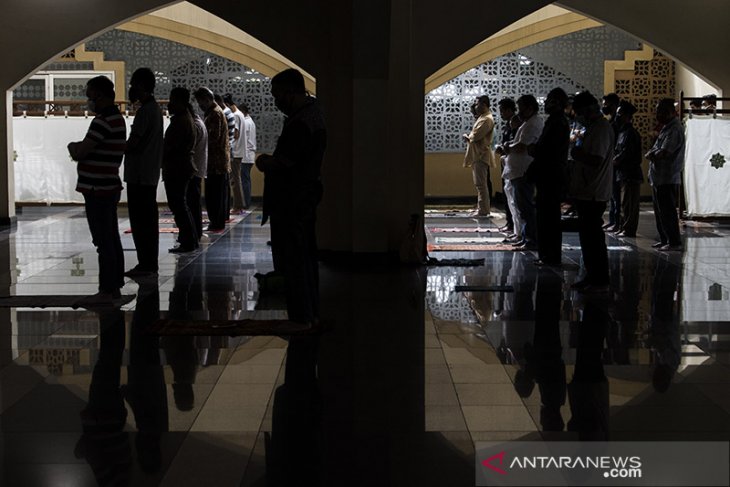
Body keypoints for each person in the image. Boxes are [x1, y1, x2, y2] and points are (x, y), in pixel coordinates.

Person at [256, 68, 326, 326]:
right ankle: (309, 313)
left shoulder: (301, 122)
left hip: (293, 198)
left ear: (291, 92)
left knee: (295, 259)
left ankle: (302, 317)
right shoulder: (312, 114)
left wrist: (264, 161)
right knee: (304, 257)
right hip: (304, 195)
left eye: (278, 95)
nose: (276, 101)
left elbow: (285, 162)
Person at [67, 76, 127, 306]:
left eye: (90, 96)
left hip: (98, 188)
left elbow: (82, 151)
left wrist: (73, 147)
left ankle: (107, 288)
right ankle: (114, 287)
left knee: (103, 240)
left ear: (100, 96)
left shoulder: (103, 121)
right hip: (108, 186)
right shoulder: (117, 119)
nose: (88, 101)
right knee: (111, 237)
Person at [569, 91, 615, 293]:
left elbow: (596, 159)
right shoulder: (591, 128)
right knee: (587, 238)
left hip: (594, 190)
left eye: (579, 112)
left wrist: (577, 154)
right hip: (586, 190)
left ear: (588, 110)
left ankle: (599, 279)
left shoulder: (601, 129)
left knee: (594, 238)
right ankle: (591, 275)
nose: (577, 116)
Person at [123, 67, 163, 278]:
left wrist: (116, 146)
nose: (131, 89)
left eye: (133, 85)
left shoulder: (145, 112)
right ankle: (148, 262)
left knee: (140, 221)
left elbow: (134, 143)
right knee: (147, 220)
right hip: (148, 173)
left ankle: (146, 263)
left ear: (141, 86)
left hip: (139, 175)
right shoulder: (154, 110)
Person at [527, 88, 571, 266]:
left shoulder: (558, 123)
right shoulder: (554, 121)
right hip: (548, 174)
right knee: (545, 217)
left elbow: (549, 150)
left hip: (551, 175)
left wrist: (534, 149)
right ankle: (546, 254)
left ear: (559, 103)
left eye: (550, 101)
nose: (546, 104)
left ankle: (550, 255)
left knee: (549, 219)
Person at [502, 95, 543, 250]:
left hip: (524, 171)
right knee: (521, 206)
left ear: (530, 108)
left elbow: (522, 146)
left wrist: (508, 147)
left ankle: (531, 239)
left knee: (525, 207)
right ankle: (526, 236)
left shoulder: (533, 124)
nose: (518, 112)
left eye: (521, 108)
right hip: (517, 171)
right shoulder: (527, 123)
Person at [162, 87, 197, 253]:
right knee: (181, 205)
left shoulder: (181, 121)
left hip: (178, 168)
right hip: (181, 167)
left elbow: (171, 146)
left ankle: (188, 241)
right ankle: (188, 239)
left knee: (179, 205)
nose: (169, 104)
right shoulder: (184, 118)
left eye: (172, 100)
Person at [646, 98, 685, 251]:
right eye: (657, 111)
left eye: (662, 112)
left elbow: (664, 152)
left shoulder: (674, 129)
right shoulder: (666, 127)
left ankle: (674, 242)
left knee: (667, 212)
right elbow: (656, 149)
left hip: (667, 178)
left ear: (670, 112)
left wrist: (652, 155)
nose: (658, 115)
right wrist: (653, 153)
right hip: (658, 178)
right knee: (660, 211)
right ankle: (665, 239)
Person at [194, 87, 230, 232]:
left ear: (207, 99)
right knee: (217, 195)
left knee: (214, 195)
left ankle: (216, 222)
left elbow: (212, 139)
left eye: (201, 102)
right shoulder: (215, 112)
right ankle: (217, 221)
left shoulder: (214, 114)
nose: (200, 105)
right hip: (218, 161)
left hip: (215, 162)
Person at [612, 100, 643, 238]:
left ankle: (629, 229)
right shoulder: (622, 132)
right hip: (623, 174)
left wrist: (616, 160)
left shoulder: (631, 133)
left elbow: (626, 153)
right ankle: (623, 227)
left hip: (630, 174)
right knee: (624, 204)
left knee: (630, 205)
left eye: (620, 114)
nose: (617, 117)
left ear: (627, 116)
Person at [462, 95, 495, 217]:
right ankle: (481, 207)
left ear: (484, 104)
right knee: (479, 184)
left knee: (481, 184)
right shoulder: (482, 117)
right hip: (477, 154)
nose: (476, 107)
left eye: (477, 104)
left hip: (481, 155)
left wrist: (468, 137)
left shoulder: (487, 119)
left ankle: (484, 210)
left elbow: (476, 136)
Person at [495, 98, 517, 234]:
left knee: (514, 198)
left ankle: (515, 226)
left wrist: (504, 148)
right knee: (507, 195)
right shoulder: (507, 125)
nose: (501, 113)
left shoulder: (516, 124)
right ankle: (510, 222)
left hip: (513, 163)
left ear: (510, 110)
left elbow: (514, 143)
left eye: (502, 110)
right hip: (506, 162)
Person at [187, 102, 208, 243]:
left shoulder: (194, 125)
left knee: (192, 203)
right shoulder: (199, 122)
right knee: (194, 203)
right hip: (197, 168)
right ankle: (196, 231)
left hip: (193, 169)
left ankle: (194, 233)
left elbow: (189, 148)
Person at [601, 93, 622, 232]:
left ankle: (617, 222)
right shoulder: (612, 121)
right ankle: (613, 221)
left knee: (617, 194)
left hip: (617, 163)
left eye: (606, 104)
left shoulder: (617, 122)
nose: (604, 107)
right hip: (611, 161)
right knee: (613, 194)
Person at [224, 94, 246, 213]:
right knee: (237, 179)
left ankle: (238, 206)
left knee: (235, 180)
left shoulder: (236, 116)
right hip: (240, 151)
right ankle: (239, 205)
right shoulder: (241, 114)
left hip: (235, 151)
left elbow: (235, 134)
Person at [240, 102, 257, 208]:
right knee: (246, 180)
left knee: (245, 180)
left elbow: (243, 140)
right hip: (249, 154)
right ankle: (246, 201)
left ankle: (246, 203)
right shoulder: (251, 121)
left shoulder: (245, 123)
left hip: (246, 155)